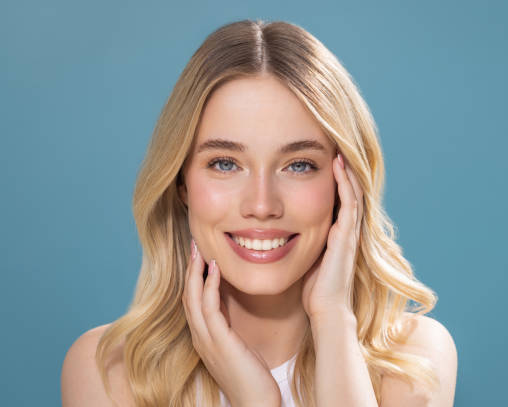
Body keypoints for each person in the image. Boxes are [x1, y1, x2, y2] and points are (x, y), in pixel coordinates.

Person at [61, 19, 457, 407]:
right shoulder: (107, 370)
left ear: (345, 184)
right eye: (225, 163)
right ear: (181, 182)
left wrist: (333, 319)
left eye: (298, 165)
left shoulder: (414, 359)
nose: (262, 205)